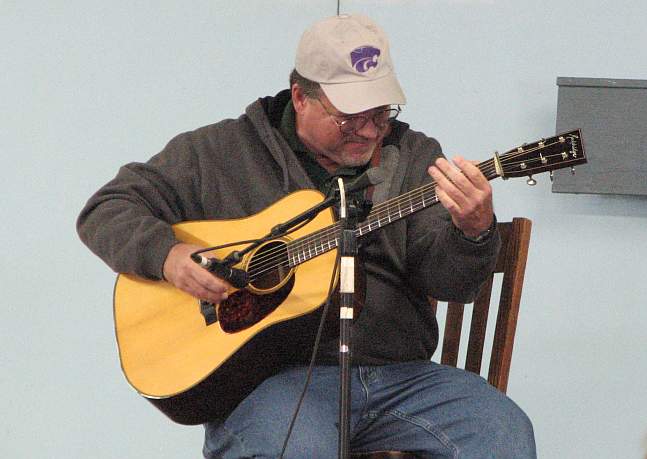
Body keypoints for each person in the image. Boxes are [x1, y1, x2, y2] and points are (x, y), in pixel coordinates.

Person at [77, 13, 536, 459]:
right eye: (349, 116)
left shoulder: (414, 157)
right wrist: (168, 256)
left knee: (501, 432)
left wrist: (473, 231)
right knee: (300, 445)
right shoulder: (220, 153)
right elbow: (107, 208)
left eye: (380, 113)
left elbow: (453, 284)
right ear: (300, 97)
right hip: (276, 381)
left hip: (399, 375)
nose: (369, 130)